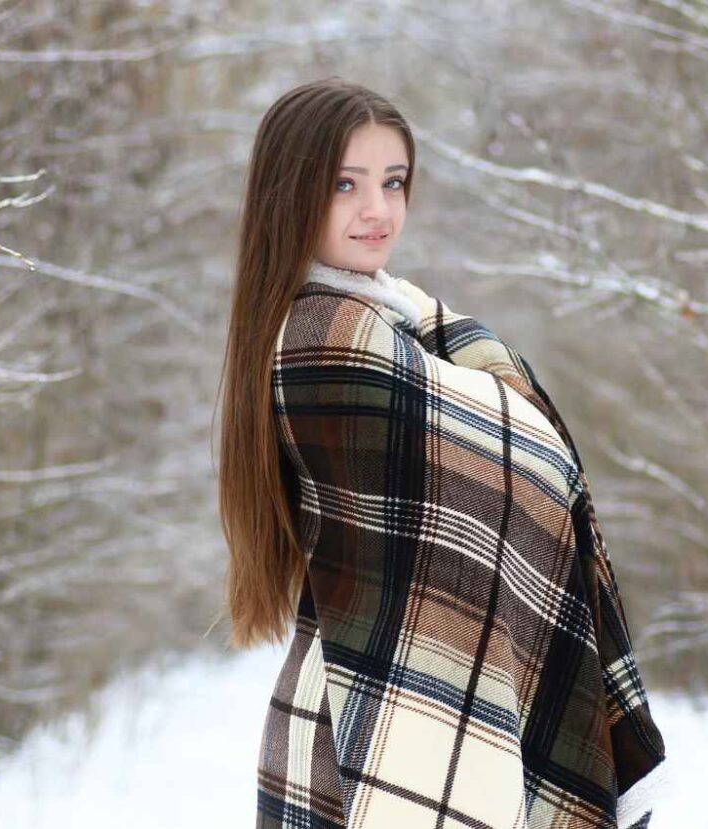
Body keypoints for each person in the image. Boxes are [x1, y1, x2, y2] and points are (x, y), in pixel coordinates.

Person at [217, 77, 668, 829]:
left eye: (393, 182)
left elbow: (521, 456)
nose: (378, 210)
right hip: (375, 727)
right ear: (291, 192)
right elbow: (519, 461)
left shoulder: (404, 325)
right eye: (345, 184)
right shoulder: (327, 343)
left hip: (391, 711)